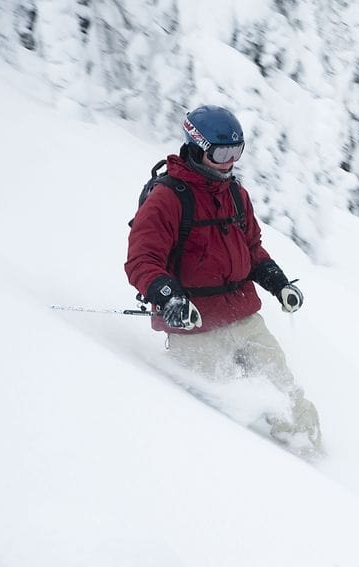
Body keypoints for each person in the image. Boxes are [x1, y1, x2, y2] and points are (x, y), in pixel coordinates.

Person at [125, 104, 322, 455]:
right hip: (196, 328)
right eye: (221, 153)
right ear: (198, 148)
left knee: (288, 396)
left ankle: (316, 462)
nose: (230, 162)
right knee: (217, 417)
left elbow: (252, 249)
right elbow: (142, 260)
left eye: (237, 151)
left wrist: (279, 284)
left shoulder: (235, 195)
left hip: (244, 318)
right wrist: (169, 297)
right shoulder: (168, 199)